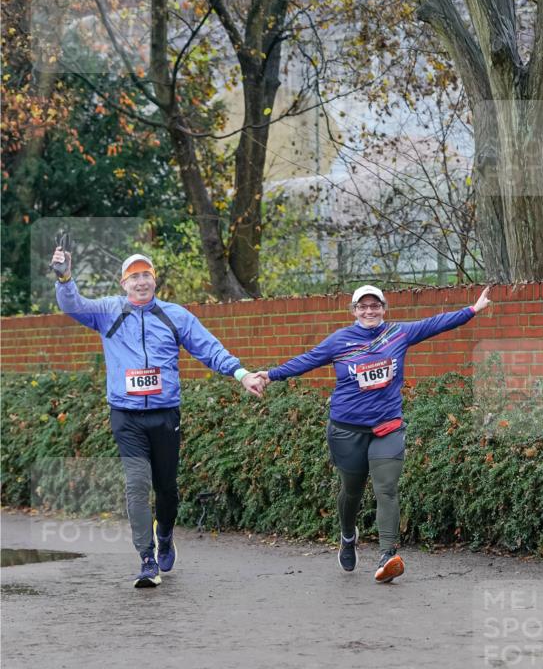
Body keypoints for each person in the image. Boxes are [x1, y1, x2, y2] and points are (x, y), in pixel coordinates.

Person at [50, 244, 265, 589]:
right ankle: (147, 560)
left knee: (166, 488)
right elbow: (73, 304)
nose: (140, 282)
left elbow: (209, 348)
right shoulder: (108, 312)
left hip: (165, 415)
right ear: (124, 284)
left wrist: (241, 374)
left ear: (154, 280)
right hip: (126, 416)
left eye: (145, 275)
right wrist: (64, 276)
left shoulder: (174, 316)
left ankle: (164, 535)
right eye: (134, 277)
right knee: (137, 486)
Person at [258, 284, 491, 583]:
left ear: (384, 307)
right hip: (346, 430)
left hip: (387, 426)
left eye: (375, 305)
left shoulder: (398, 334)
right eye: (363, 306)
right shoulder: (339, 341)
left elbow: (435, 324)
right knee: (352, 490)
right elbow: (307, 360)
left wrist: (472, 310)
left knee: (386, 489)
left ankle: (387, 556)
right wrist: (271, 374)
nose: (369, 311)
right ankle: (347, 535)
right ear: (354, 310)